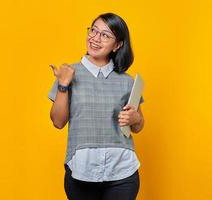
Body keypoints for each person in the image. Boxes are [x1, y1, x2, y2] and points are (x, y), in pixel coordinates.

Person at [48, 12, 145, 200]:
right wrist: (63, 85)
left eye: (105, 35)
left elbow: (138, 126)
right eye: (93, 30)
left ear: (117, 45)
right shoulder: (67, 73)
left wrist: (136, 118)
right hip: (81, 171)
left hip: (122, 171)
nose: (95, 38)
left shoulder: (127, 81)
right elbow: (58, 122)